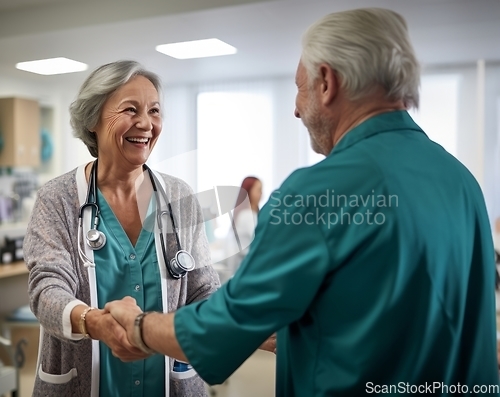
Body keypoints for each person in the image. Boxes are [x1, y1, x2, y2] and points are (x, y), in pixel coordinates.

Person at [106, 8, 499, 396]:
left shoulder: (317, 191)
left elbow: (223, 328)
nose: (296, 109)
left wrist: (140, 327)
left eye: (300, 87)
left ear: (327, 82)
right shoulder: (460, 180)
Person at [23, 60, 220, 397]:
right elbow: (47, 290)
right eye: (131, 109)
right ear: (92, 119)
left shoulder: (179, 196)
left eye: (155, 111)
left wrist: (245, 321)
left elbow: (204, 290)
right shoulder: (57, 198)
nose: (146, 123)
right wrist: (94, 322)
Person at [225, 176, 263, 273]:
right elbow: (259, 240)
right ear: (248, 192)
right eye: (258, 190)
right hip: (244, 266)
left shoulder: (249, 214)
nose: (261, 194)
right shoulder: (247, 215)